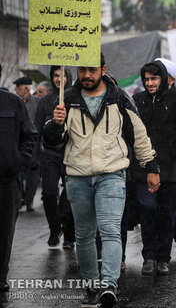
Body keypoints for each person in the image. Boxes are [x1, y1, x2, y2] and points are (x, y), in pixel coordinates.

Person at [42, 54, 160, 307]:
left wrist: (151, 166)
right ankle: (91, 286)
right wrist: (55, 124)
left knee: (110, 231)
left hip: (112, 175)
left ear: (103, 70)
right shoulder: (67, 99)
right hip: (77, 177)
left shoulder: (119, 98)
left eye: (92, 70)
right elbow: (52, 140)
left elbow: (139, 135)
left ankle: (109, 285)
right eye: (82, 69)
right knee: (84, 235)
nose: (86, 74)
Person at [133, 60, 176, 275]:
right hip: (143, 168)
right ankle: (148, 256)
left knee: (166, 214)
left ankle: (163, 258)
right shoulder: (137, 101)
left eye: (154, 78)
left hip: (169, 168)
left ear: (162, 78)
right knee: (147, 211)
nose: (150, 83)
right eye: (147, 79)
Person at [0, 63, 38, 305]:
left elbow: (30, 135)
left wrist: (17, 161)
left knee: (4, 232)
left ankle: (0, 275)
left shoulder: (13, 103)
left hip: (7, 180)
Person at [33, 66, 76, 248]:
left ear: (69, 77)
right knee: (49, 193)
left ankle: (69, 234)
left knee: (71, 196)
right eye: (55, 75)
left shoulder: (74, 99)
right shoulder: (45, 102)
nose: (59, 79)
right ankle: (54, 228)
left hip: (71, 153)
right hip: (50, 153)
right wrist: (33, 157)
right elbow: (36, 130)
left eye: (62, 75)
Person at [14, 76, 40, 211]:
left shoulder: (37, 102)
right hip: (19, 143)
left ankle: (28, 200)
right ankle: (21, 198)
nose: (15, 90)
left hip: (35, 145)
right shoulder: (16, 102)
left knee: (33, 175)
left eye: (18, 87)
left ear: (25, 88)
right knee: (19, 174)